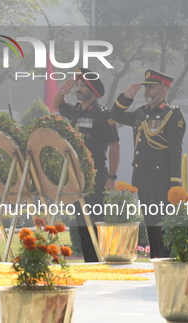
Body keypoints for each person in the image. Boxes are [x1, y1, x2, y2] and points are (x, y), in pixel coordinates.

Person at [110, 69, 186, 259]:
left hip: (162, 182)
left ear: (163, 89)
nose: (147, 91)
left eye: (151, 87)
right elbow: (114, 115)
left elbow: (175, 152)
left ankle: (167, 262)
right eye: (146, 87)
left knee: (163, 226)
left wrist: (175, 184)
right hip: (142, 180)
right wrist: (126, 97)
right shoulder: (140, 113)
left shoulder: (172, 115)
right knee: (151, 225)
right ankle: (156, 263)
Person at [53, 68, 121, 262]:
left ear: (92, 89)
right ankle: (90, 264)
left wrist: (112, 177)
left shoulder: (103, 114)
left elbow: (115, 146)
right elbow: (57, 104)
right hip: (77, 175)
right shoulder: (75, 109)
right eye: (79, 85)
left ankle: (102, 262)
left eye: (83, 85)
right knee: (82, 224)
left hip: (96, 175)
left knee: (96, 222)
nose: (79, 88)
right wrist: (62, 91)